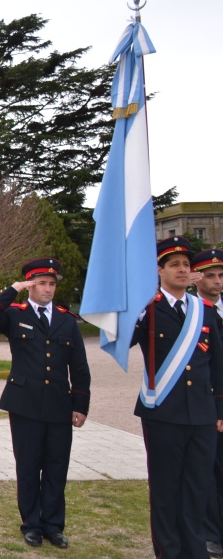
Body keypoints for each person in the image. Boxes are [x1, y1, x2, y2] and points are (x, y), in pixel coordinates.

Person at [0, 258, 91, 549]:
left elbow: (79, 366)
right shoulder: (15, 314)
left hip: (59, 405)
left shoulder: (66, 319)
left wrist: (81, 405)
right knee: (28, 466)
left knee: (56, 466)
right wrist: (12, 289)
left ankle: (54, 526)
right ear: (29, 285)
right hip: (24, 403)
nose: (48, 289)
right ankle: (31, 525)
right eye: (41, 283)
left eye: (52, 284)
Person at [132, 237, 223, 559]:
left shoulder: (204, 311)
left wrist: (219, 409)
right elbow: (119, 339)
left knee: (198, 488)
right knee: (166, 490)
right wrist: (135, 309)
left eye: (186, 264)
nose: (183, 270)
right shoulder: (149, 309)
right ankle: (168, 552)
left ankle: (195, 549)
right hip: (163, 413)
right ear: (160, 271)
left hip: (201, 414)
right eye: (175, 265)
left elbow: (217, 364)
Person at [191, 248, 223, 559]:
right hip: (208, 402)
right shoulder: (194, 312)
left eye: (220, 276)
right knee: (211, 471)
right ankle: (213, 533)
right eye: (210, 275)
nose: (216, 281)